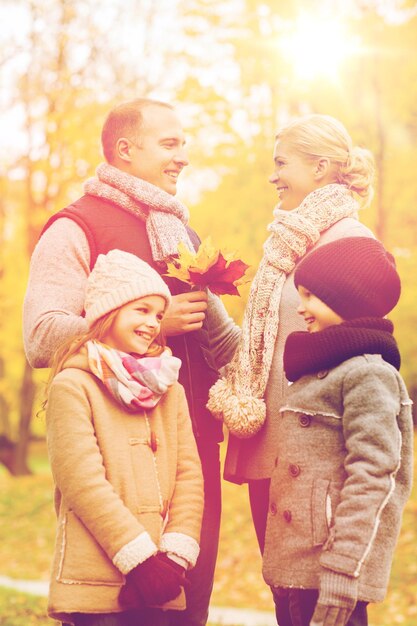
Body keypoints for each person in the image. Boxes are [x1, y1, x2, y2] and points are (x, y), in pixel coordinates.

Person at [23, 98, 240, 626]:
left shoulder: (182, 235)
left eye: (183, 144)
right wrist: (148, 327)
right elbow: (41, 336)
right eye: (170, 144)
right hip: (111, 454)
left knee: (187, 610)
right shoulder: (76, 227)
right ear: (125, 149)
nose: (183, 157)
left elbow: (225, 344)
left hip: (191, 453)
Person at [208, 113, 376, 554]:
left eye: (281, 164)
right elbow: (268, 341)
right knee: (286, 598)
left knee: (321, 603)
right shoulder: (288, 244)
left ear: (318, 168)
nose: (272, 176)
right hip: (273, 444)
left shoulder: (349, 242)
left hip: (314, 456)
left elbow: (361, 359)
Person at [46, 250, 204, 626]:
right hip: (98, 583)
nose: (153, 323)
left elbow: (189, 476)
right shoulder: (73, 385)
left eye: (159, 314)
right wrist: (139, 560)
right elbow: (82, 482)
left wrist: (172, 558)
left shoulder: (169, 389)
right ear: (108, 312)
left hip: (161, 580)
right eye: (142, 310)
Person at [262, 236, 414, 626]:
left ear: (348, 299)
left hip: (330, 575)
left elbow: (374, 477)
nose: (301, 307)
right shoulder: (318, 368)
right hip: (297, 571)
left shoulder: (368, 374)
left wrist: (343, 570)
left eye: (311, 295)